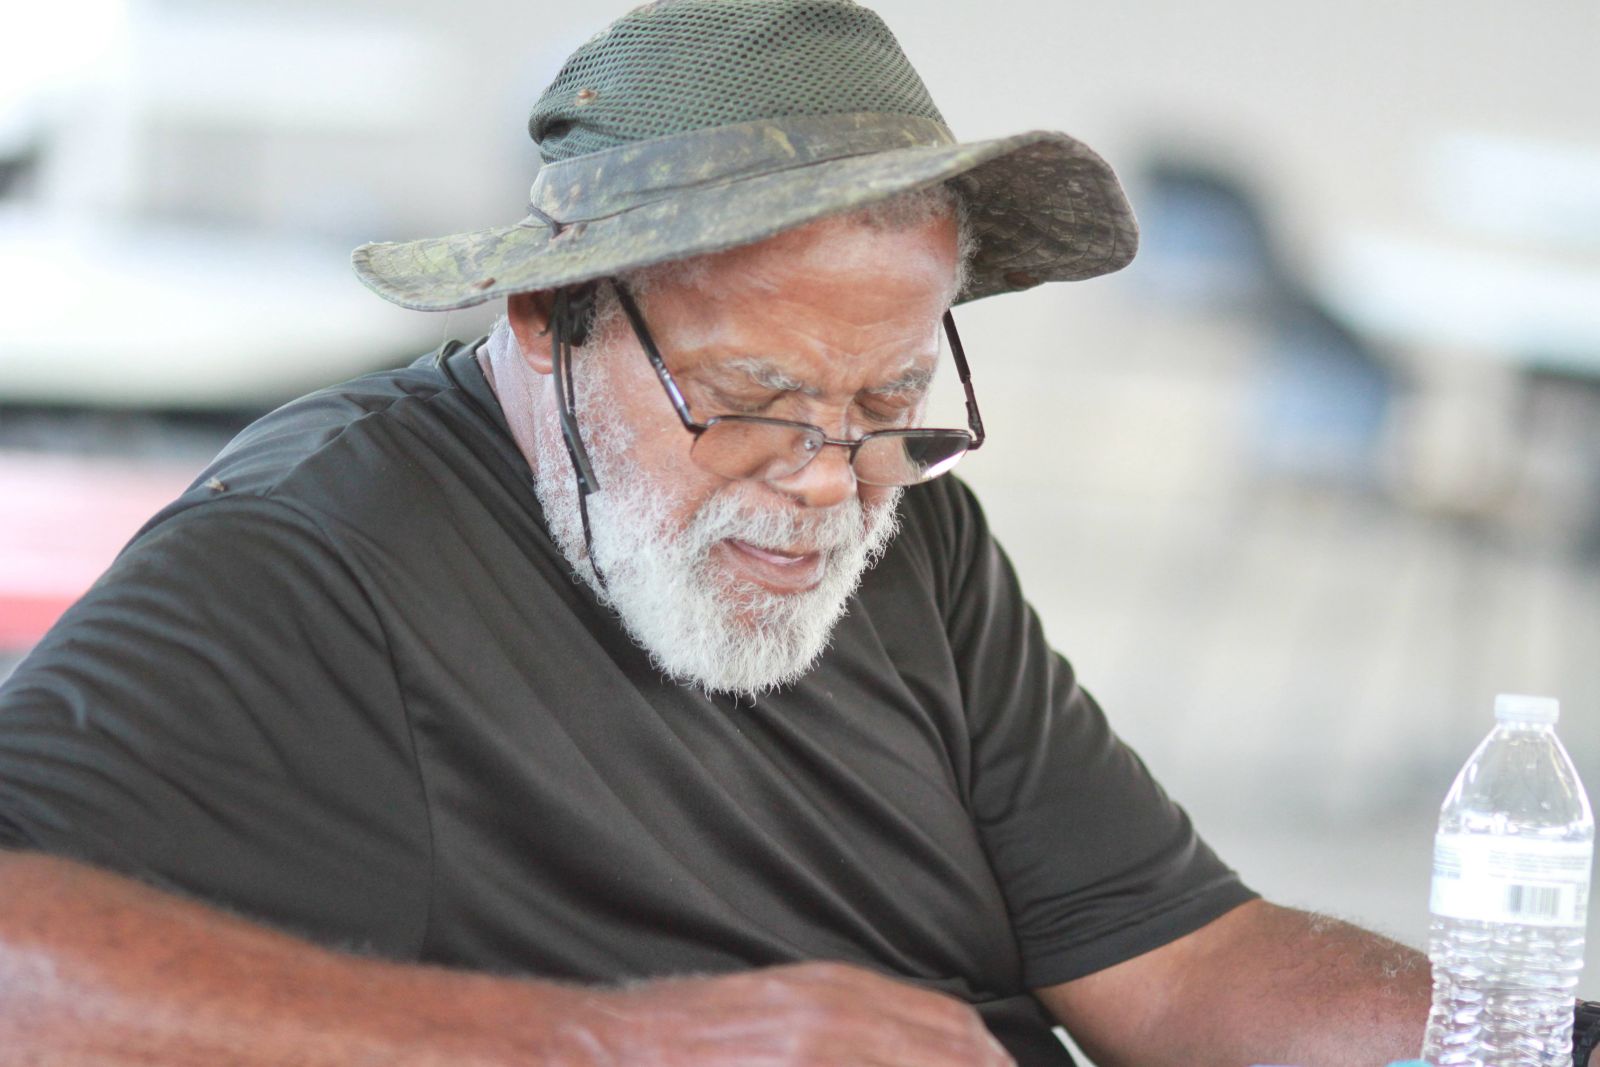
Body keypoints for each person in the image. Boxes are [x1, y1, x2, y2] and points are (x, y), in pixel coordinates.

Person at [0, 1, 1438, 1063]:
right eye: (753, 399)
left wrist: (1516, 1030)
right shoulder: (316, 553)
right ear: (548, 323)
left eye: (888, 397)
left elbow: (1185, 971)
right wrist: (632, 1044)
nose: (827, 478)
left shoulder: (914, 542)